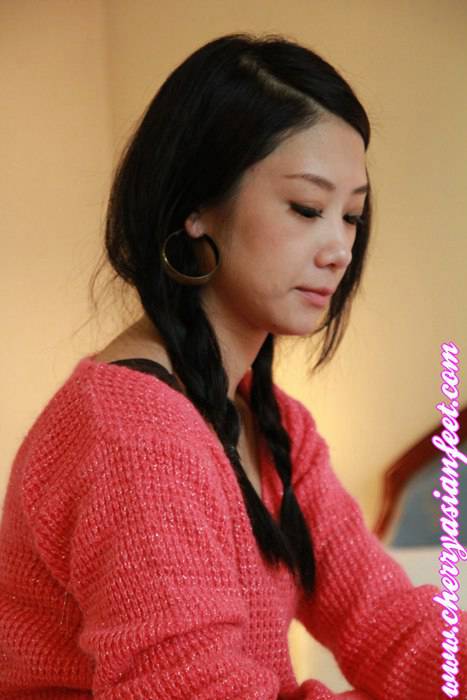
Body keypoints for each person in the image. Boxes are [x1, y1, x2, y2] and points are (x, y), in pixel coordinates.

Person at [0, 32, 465, 700]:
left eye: (352, 216)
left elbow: (387, 623)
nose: (339, 248)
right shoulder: (133, 434)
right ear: (196, 207)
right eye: (307, 208)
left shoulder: (275, 427)